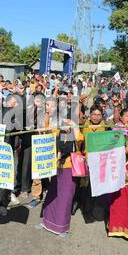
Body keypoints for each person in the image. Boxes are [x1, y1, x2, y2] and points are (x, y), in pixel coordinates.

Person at [37, 101, 82, 237]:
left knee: (65, 197)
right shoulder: (58, 131)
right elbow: (47, 132)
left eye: (68, 120)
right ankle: (46, 222)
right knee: (52, 194)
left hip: (70, 167)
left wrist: (74, 127)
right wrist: (42, 131)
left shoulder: (77, 132)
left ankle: (62, 227)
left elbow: (80, 141)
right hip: (57, 166)